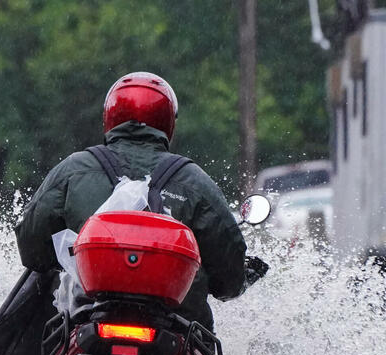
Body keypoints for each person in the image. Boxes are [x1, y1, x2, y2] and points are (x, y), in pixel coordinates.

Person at [14, 71, 249, 333]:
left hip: (85, 320)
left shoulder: (73, 169)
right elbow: (230, 277)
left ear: (109, 117)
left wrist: (63, 258)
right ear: (168, 122)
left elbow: (31, 247)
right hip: (177, 330)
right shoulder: (194, 180)